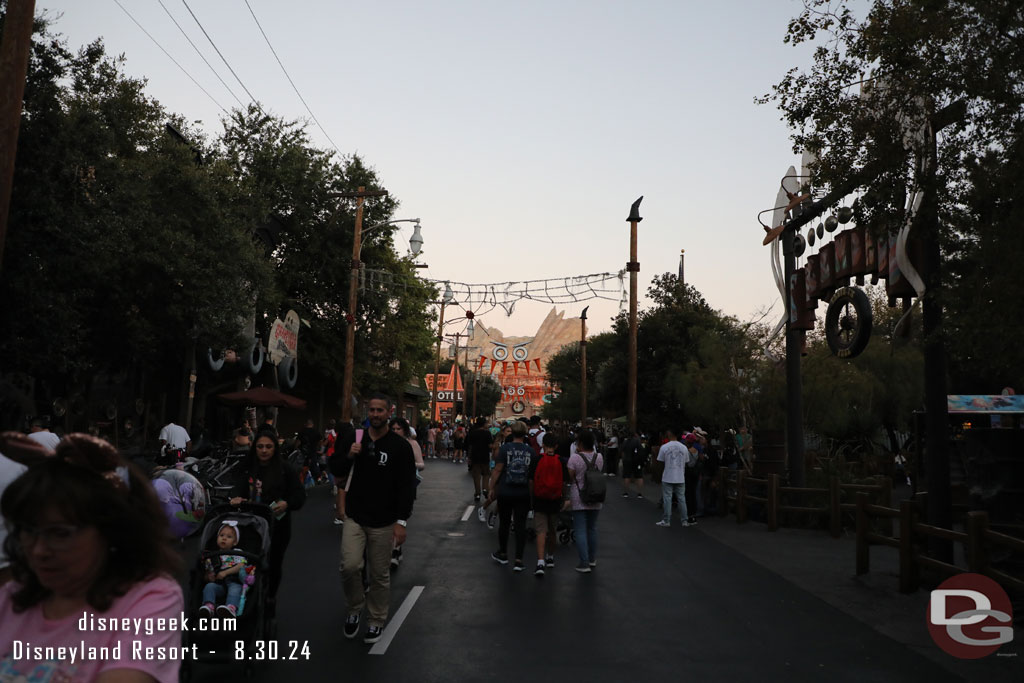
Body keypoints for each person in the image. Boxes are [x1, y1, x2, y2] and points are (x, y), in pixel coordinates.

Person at [0, 433, 184, 682]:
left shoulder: (151, 599)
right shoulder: (12, 595)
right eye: (29, 531)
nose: (38, 550)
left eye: (60, 534)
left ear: (110, 532)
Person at [333, 394, 416, 645]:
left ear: (389, 412)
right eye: (372, 410)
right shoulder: (354, 438)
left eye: (380, 410)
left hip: (384, 520)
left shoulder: (399, 446)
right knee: (350, 566)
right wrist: (348, 454)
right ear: (367, 412)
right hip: (355, 516)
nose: (376, 414)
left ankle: (376, 620)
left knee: (379, 574)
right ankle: (354, 608)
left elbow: (407, 486)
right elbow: (336, 470)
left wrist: (402, 521)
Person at [229, 427, 305, 610]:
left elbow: (299, 495)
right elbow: (235, 487)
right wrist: (236, 497)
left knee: (273, 563)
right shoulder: (247, 467)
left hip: (276, 526)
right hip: (249, 524)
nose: (264, 451)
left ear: (274, 449)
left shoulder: (285, 469)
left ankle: (270, 595)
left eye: (268, 447)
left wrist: (287, 503)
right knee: (245, 560)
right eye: (260, 446)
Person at [485, 420, 534, 572]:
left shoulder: (505, 448)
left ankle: (503, 553)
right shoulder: (530, 451)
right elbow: (531, 477)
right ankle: (519, 559)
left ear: (512, 432)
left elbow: (498, 470)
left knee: (504, 523)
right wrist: (531, 496)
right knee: (520, 525)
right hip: (523, 492)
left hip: (506, 491)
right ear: (525, 433)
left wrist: (491, 488)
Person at [529, 432, 569, 576]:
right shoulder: (561, 461)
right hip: (555, 499)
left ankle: (540, 562)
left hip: (539, 498)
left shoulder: (537, 459)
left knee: (541, 530)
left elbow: (531, 481)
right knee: (552, 529)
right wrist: (563, 497)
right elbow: (565, 482)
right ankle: (550, 557)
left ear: (543, 445)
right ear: (556, 446)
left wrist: (532, 496)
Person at [388, 417, 425, 569]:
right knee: (390, 518)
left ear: (405, 430)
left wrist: (408, 463)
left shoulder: (412, 444)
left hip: (406, 485)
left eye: (399, 429)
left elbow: (422, 464)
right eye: (393, 429)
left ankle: (395, 550)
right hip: (387, 485)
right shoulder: (387, 443)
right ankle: (395, 549)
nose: (396, 431)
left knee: (401, 516)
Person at [566, 429, 603, 573]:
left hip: (579, 496)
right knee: (592, 528)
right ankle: (592, 559)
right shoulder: (599, 456)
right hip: (596, 495)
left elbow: (571, 476)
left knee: (580, 530)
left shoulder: (575, 458)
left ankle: (584, 562)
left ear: (580, 443)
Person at [200, 521, 250, 618]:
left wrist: (225, 572)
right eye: (221, 535)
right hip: (219, 584)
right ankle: (209, 606)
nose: (224, 538)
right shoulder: (212, 556)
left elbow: (241, 565)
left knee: (235, 589)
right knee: (209, 587)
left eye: (229, 537)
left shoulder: (237, 552)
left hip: (234, 580)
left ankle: (231, 608)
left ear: (235, 542)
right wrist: (209, 576)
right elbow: (208, 573)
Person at [656, 428, 690, 527]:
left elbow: (660, 461)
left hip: (668, 476)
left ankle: (666, 520)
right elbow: (686, 461)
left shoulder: (664, 447)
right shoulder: (684, 447)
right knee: (682, 499)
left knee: (667, 499)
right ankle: (684, 520)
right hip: (680, 476)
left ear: (669, 433)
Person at [466, 417, 493, 504]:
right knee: (486, 474)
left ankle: (477, 493)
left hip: (475, 456)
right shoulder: (487, 433)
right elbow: (490, 445)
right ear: (484, 424)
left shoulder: (472, 433)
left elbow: (470, 446)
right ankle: (485, 488)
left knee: (476, 476)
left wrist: (469, 457)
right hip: (485, 456)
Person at [620, 428, 647, 498]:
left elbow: (622, 452)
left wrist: (623, 460)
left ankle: (626, 493)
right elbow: (641, 450)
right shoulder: (637, 441)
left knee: (627, 476)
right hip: (637, 461)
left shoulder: (625, 442)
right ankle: (640, 493)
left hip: (627, 461)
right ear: (634, 434)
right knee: (639, 476)